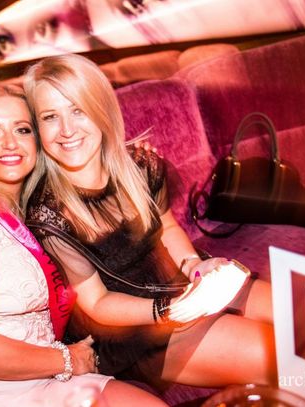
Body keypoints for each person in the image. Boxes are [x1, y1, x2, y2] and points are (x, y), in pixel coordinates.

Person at [0, 83, 166, 406]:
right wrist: (68, 359)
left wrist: (131, 160)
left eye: (23, 129)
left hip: (37, 375)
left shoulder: (36, 212)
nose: (9, 143)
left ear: (38, 141)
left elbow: (93, 176)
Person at [23, 53, 277, 388]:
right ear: (37, 129)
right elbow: (97, 303)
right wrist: (168, 309)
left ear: (101, 108)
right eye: (50, 116)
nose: (67, 130)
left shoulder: (141, 165)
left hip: (181, 285)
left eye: (78, 109)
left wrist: (194, 266)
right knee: (279, 356)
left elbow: (167, 227)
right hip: (137, 330)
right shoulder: (49, 216)